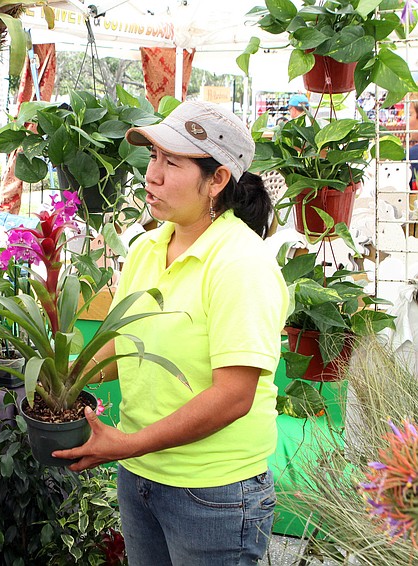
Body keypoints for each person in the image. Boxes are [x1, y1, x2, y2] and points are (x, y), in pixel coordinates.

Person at [54, 101, 289, 565]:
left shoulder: (241, 264)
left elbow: (234, 396)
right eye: (154, 157)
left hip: (213, 493)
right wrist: (56, 385)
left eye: (172, 162)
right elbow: (123, 347)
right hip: (140, 476)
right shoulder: (146, 247)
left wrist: (127, 443)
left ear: (217, 180)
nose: (152, 176)